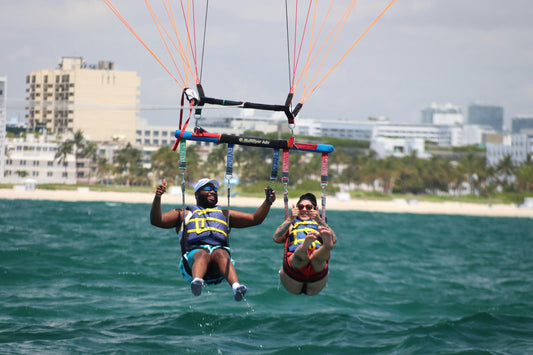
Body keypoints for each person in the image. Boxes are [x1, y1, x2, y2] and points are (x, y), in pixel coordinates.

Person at [151, 177, 276, 301]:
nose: (212, 191)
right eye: (207, 188)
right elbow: (157, 221)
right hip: (192, 263)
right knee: (202, 254)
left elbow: (255, 219)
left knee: (220, 253)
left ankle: (236, 287)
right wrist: (158, 197)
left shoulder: (225, 215)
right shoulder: (184, 214)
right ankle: (197, 281)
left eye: (214, 189)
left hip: (219, 265)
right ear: (197, 194)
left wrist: (268, 202)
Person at [273, 193, 336, 295]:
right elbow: (276, 238)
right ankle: (304, 247)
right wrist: (290, 218)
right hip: (293, 272)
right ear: (296, 209)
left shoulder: (321, 224)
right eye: (300, 207)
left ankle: (326, 247)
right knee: (300, 258)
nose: (304, 209)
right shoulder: (291, 224)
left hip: (316, 276)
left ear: (315, 209)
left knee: (317, 258)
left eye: (308, 207)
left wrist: (319, 220)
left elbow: (334, 239)